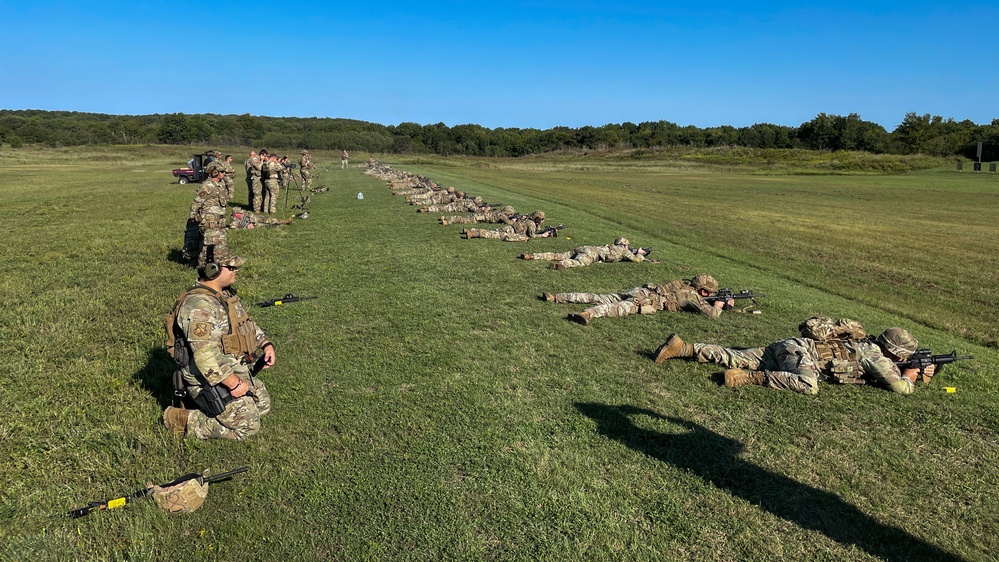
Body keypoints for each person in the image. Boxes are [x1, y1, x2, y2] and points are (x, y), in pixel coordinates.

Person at [163, 246, 276, 440]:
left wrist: (265, 344)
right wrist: (233, 384)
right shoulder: (199, 306)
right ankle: (182, 418)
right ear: (212, 269)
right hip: (207, 378)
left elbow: (245, 324)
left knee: (263, 405)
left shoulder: (225, 295)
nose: (236, 270)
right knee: (248, 426)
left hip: (232, 367)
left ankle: (221, 407)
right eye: (231, 267)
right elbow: (204, 356)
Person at [652, 325, 932, 395]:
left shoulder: (866, 343)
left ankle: (682, 347)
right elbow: (899, 388)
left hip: (790, 346)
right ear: (896, 351)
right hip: (799, 356)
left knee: (734, 354)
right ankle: (749, 378)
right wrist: (911, 376)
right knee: (808, 385)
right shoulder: (876, 356)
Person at [545, 273, 734, 326]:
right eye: (707, 293)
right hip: (646, 302)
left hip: (642, 291)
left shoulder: (683, 284)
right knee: (615, 308)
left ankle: (557, 297)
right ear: (702, 291)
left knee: (600, 296)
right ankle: (587, 314)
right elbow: (711, 314)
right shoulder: (692, 297)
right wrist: (719, 306)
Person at [181, 168, 229, 267]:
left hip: (218, 219)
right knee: (209, 244)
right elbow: (197, 201)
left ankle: (213, 264)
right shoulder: (207, 186)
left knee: (218, 243)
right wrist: (192, 216)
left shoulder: (220, 184)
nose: (224, 173)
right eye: (222, 171)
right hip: (209, 219)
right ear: (215, 172)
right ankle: (203, 266)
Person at [522, 237, 648, 271]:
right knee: (579, 262)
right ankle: (562, 264)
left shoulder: (610, 246)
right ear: (625, 245)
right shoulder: (625, 251)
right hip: (592, 254)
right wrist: (641, 254)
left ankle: (533, 255)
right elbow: (636, 260)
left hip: (585, 247)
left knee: (559, 254)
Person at [462, 211, 553, 242]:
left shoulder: (528, 220)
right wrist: (542, 235)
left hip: (510, 228)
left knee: (493, 231)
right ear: (538, 219)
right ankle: (472, 234)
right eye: (542, 219)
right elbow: (532, 235)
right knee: (492, 234)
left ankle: (471, 230)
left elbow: (536, 229)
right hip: (511, 232)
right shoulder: (531, 223)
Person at [228, 208, 297, 228]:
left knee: (268, 219)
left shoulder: (241, 212)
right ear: (235, 214)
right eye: (239, 214)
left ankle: (284, 221)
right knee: (267, 226)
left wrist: (252, 218)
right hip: (252, 226)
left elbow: (249, 212)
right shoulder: (234, 222)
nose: (241, 214)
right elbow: (234, 228)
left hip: (254, 219)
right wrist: (247, 227)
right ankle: (282, 225)